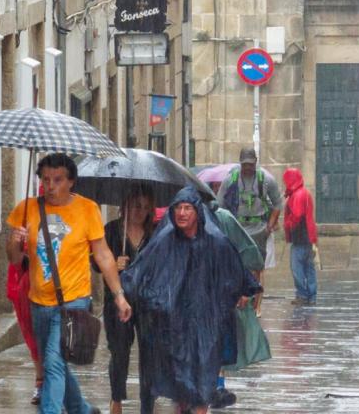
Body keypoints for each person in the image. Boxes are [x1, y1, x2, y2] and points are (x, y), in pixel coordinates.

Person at [6, 153, 129, 414]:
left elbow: (103, 255)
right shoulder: (26, 209)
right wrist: (15, 241)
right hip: (39, 302)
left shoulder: (87, 209)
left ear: (71, 181)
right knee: (54, 363)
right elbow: (15, 259)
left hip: (74, 300)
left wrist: (119, 295)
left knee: (53, 362)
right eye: (46, 179)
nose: (50, 186)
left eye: (58, 180)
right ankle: (81, 409)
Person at [120, 186, 261, 414]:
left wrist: (243, 291)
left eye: (187, 208)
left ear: (197, 211)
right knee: (181, 380)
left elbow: (235, 271)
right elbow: (142, 270)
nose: (182, 213)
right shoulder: (164, 242)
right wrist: (125, 288)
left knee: (203, 380)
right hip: (174, 326)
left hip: (206, 324)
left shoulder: (216, 242)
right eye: (178, 208)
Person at [96, 187, 155, 414]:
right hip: (117, 302)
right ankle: (117, 398)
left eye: (145, 207)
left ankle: (147, 403)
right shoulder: (111, 230)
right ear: (126, 205)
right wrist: (113, 264)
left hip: (147, 302)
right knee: (119, 350)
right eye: (136, 206)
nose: (140, 211)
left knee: (149, 353)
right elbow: (95, 262)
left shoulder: (155, 233)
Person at [209, 204, 271, 409]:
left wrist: (245, 289)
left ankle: (217, 386)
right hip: (197, 296)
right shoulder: (179, 221)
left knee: (219, 342)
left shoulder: (223, 218)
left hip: (222, 295)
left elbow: (247, 252)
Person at [220, 148, 282, 314]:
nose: (247, 168)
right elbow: (220, 204)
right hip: (237, 228)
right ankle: (239, 300)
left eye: (250, 164)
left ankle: (256, 305)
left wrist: (269, 226)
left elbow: (278, 203)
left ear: (255, 162)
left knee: (256, 268)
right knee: (237, 265)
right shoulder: (230, 180)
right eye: (244, 164)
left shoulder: (266, 180)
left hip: (259, 229)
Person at [5, 256, 43, 405]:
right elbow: (13, 252)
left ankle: (52, 383)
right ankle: (41, 381)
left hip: (50, 277)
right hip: (25, 280)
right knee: (33, 339)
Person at [283, 168, 318, 306]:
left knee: (297, 267)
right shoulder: (304, 193)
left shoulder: (297, 195)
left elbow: (297, 215)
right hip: (308, 236)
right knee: (309, 268)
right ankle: (312, 295)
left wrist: (287, 223)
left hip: (300, 237)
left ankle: (302, 295)